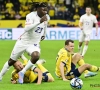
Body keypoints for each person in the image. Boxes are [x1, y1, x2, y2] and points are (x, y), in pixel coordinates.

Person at [0, 2, 50, 84]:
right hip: (23, 41)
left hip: (34, 43)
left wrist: (44, 34)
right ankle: (0, 76)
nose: (45, 11)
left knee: (36, 55)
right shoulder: (30, 16)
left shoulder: (47, 17)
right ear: (37, 9)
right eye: (43, 9)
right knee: (11, 61)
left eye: (46, 9)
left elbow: (45, 25)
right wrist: (39, 21)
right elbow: (26, 29)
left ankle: (22, 72)